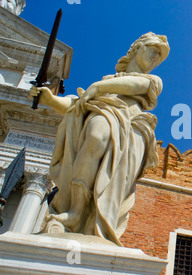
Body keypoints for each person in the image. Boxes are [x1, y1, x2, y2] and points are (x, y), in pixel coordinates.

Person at [29, 32, 169, 245]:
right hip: (103, 113)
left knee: (115, 182)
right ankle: (75, 212)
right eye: (154, 51)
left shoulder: (152, 81)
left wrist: (98, 88)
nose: (155, 58)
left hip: (132, 128)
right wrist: (50, 99)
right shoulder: (108, 82)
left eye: (159, 57)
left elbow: (135, 86)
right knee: (95, 135)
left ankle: (101, 225)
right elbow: (77, 105)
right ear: (139, 47)